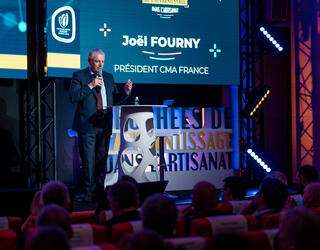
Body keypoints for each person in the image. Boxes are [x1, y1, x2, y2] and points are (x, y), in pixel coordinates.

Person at [69, 48, 132, 202]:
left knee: (101, 160)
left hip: (104, 124)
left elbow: (114, 99)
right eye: (97, 61)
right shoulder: (79, 76)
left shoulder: (109, 77)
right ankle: (87, 192)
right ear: (90, 61)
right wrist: (90, 85)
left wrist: (125, 92)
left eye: (102, 62)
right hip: (87, 125)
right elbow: (73, 97)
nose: (100, 65)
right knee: (88, 161)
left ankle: (99, 191)